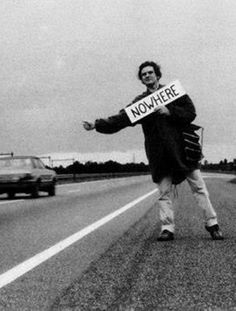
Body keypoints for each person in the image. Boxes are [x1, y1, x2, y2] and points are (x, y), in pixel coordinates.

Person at [83, 61, 223, 241]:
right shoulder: (141, 103)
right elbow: (121, 119)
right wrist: (97, 124)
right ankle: (167, 228)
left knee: (199, 187)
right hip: (159, 154)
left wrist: (169, 111)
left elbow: (191, 112)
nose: (147, 76)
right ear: (141, 80)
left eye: (150, 72)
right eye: (143, 75)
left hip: (183, 149)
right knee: (164, 192)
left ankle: (213, 224)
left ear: (157, 75)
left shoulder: (174, 93)